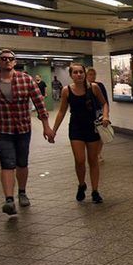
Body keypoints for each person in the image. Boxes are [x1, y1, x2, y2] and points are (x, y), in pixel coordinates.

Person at [0, 50, 55, 215]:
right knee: (7, 163)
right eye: (3, 59)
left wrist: (47, 126)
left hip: (23, 128)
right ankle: (9, 200)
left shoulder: (26, 80)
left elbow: (39, 103)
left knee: (22, 162)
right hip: (1, 129)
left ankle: (22, 192)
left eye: (10, 59)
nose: (7, 61)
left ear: (15, 61)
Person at [51, 63, 110, 204]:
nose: (79, 75)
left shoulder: (93, 88)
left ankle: (95, 191)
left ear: (84, 73)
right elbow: (61, 111)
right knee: (79, 160)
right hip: (76, 128)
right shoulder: (66, 91)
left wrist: (106, 116)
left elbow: (104, 103)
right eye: (75, 73)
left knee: (93, 160)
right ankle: (81, 184)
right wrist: (53, 130)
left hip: (92, 127)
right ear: (71, 75)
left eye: (81, 72)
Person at [86, 68, 109, 162]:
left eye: (93, 74)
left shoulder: (99, 86)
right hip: (89, 114)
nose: (92, 76)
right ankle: (92, 152)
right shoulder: (84, 87)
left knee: (101, 134)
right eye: (90, 74)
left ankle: (98, 153)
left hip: (99, 112)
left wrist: (106, 114)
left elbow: (105, 101)